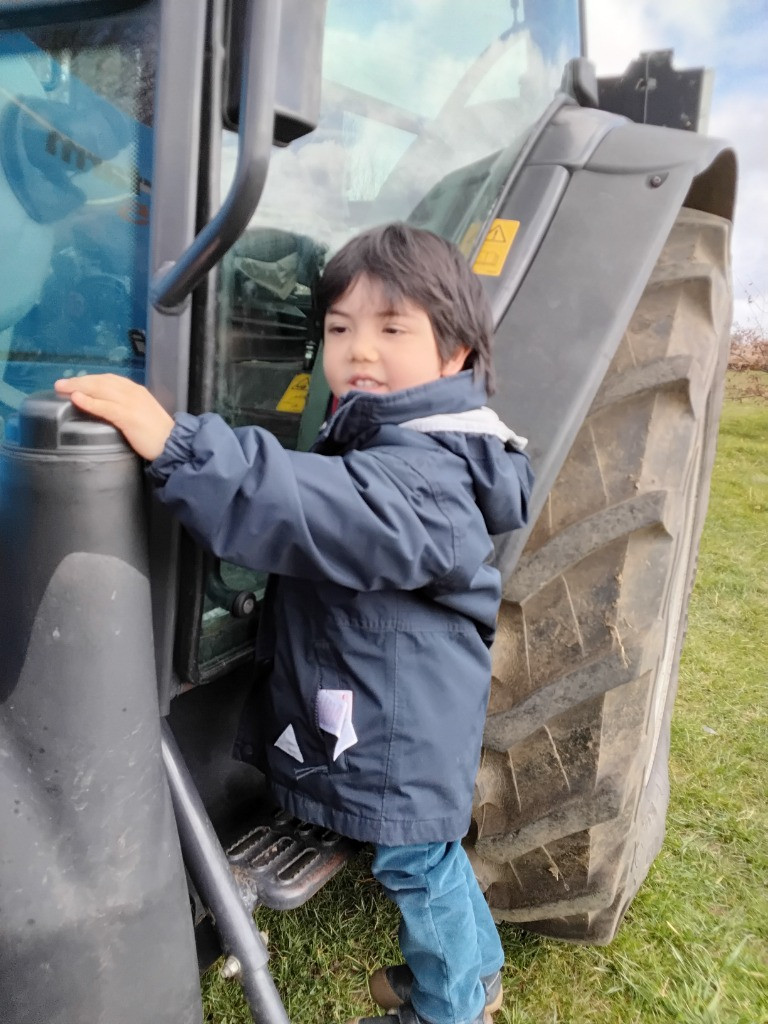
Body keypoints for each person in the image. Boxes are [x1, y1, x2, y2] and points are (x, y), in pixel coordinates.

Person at [55, 222, 534, 1024]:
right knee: (431, 858)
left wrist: (178, 445)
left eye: (392, 329)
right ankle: (472, 975)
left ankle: (448, 1008)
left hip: (403, 725)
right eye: (340, 329)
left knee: (418, 864)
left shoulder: (425, 472)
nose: (359, 351)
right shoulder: (409, 441)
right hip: (402, 704)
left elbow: (314, 505)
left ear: (455, 354)